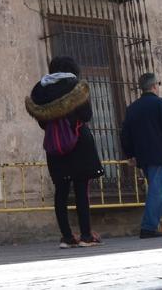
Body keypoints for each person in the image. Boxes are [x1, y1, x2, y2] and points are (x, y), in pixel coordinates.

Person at [25, 56, 104, 249]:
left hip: (55, 146)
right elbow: (86, 116)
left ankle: (67, 237)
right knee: (81, 191)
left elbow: (43, 121)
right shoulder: (76, 87)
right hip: (78, 144)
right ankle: (86, 236)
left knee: (61, 191)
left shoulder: (40, 91)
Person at [120, 72, 162, 238]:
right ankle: (148, 227)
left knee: (158, 189)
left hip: (143, 156)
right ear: (154, 86)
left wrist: (130, 154)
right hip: (159, 154)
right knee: (158, 191)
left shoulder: (132, 108)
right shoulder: (161, 104)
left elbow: (125, 134)